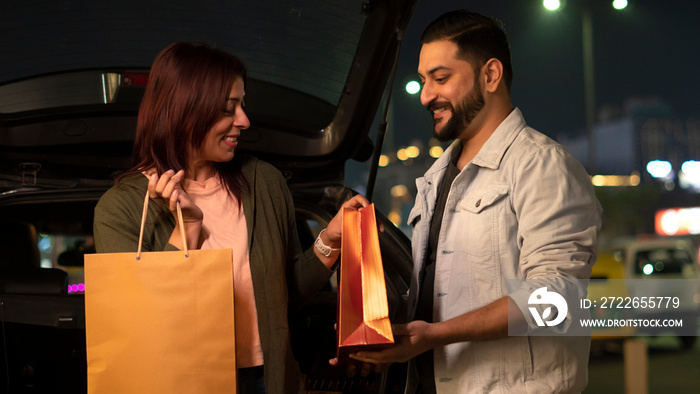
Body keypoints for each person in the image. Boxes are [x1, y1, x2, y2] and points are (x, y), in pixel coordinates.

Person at [349, 10, 603, 393]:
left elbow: (556, 299)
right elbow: (438, 293)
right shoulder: (436, 177)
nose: (425, 95)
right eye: (422, 80)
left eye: (441, 78)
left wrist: (436, 334)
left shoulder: (541, 166)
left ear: (490, 75)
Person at [93, 42, 369, 394]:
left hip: (267, 379)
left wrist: (329, 242)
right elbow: (142, 322)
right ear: (184, 111)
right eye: (228, 108)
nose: (244, 120)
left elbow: (282, 298)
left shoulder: (264, 182)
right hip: (177, 382)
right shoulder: (120, 207)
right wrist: (187, 230)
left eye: (242, 105)